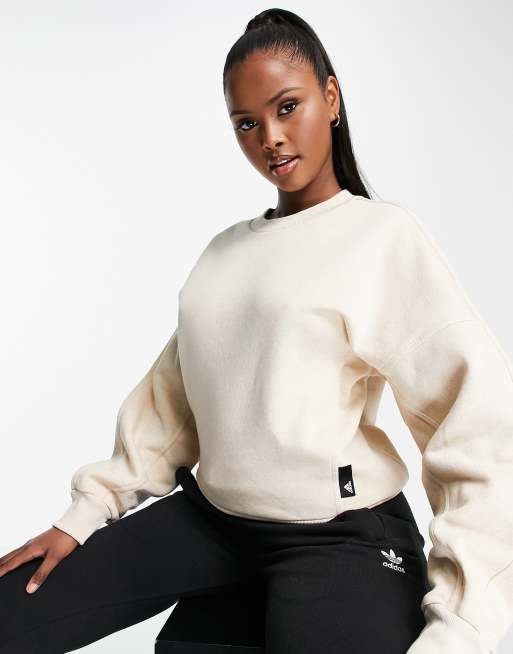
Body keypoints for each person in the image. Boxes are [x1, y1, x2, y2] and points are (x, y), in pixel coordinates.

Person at [0, 8, 512, 654]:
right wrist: (83, 516)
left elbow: (475, 424)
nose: (269, 137)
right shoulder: (223, 254)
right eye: (246, 123)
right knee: (11, 612)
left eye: (287, 107)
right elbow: (172, 407)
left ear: (331, 98)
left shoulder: (381, 238)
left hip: (339, 534)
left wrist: (463, 623)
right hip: (214, 520)